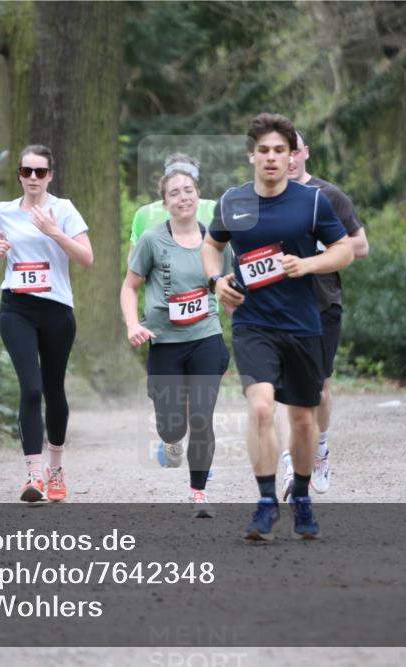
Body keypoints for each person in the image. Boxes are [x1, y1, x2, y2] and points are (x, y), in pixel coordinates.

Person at [202, 113, 353, 540]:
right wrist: (217, 282)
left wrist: (308, 264)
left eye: (279, 151)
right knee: (262, 407)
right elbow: (212, 247)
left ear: (291, 157)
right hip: (253, 323)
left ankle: (301, 497)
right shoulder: (233, 201)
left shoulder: (312, 202)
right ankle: (266, 502)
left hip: (303, 324)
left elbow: (344, 251)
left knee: (304, 421)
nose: (271, 158)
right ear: (252, 155)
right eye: (264, 151)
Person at [120, 167, 231, 518]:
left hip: (206, 337)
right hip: (164, 342)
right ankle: (170, 440)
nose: (183, 197)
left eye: (188, 190)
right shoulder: (153, 240)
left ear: (198, 195)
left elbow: (228, 287)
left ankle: (199, 493)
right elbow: (129, 287)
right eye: (174, 193)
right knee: (173, 425)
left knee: (201, 416)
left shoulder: (215, 242)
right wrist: (132, 324)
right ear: (164, 202)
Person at [0, 144, 93, 503]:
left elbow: (86, 259)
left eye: (40, 172)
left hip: (56, 311)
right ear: (19, 174)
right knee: (30, 389)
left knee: (53, 389)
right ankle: (33, 475)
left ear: (50, 175)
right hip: (15, 307)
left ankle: (57, 467)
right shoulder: (4, 210)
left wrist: (55, 232)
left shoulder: (63, 210)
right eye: (26, 171)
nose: (33, 178)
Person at [275, 131, 369, 499]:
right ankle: (288, 465)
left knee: (320, 390)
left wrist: (314, 253)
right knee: (286, 393)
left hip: (322, 305)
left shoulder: (329, 196)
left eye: (295, 150)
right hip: (280, 306)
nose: (291, 158)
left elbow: (360, 245)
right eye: (284, 151)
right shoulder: (268, 198)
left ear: (305, 153)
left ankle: (321, 449)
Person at [128, 154, 216, 258]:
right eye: (175, 176)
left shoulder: (215, 210)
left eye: (187, 188)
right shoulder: (144, 214)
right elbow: (134, 260)